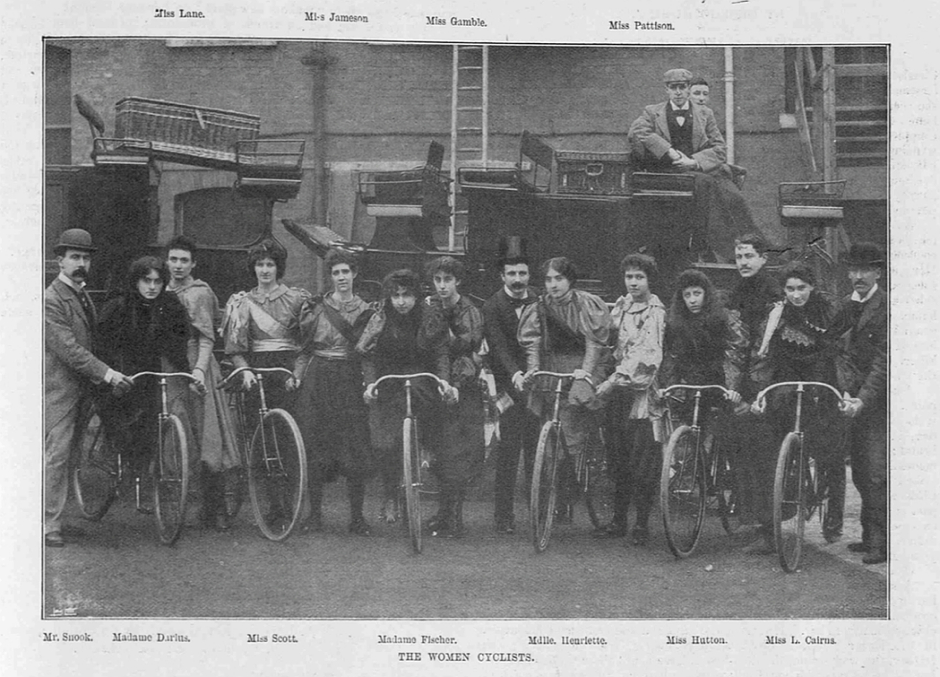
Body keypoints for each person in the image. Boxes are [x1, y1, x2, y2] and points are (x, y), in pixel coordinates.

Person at [44, 229, 134, 547]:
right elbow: (69, 350)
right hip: (60, 390)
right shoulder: (52, 299)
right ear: (60, 261)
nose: (81, 263)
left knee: (69, 455)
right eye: (75, 257)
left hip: (81, 390)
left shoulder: (81, 295)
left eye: (85, 258)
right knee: (56, 455)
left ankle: (58, 518)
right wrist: (107, 374)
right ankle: (48, 525)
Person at [751, 261, 847, 544]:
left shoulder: (828, 313)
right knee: (768, 448)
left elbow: (838, 355)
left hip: (822, 381)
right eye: (790, 289)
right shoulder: (776, 315)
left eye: (801, 288)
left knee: (831, 450)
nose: (796, 295)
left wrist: (839, 390)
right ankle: (769, 529)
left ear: (812, 287)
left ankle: (834, 519)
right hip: (786, 383)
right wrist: (760, 393)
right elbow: (765, 356)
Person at [220, 239, 312, 524]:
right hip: (256, 374)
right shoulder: (243, 302)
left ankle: (291, 503)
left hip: (287, 373)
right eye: (260, 264)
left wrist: (297, 374)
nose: (265, 270)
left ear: (278, 267)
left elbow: (306, 345)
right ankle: (272, 506)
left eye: (270, 264)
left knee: (289, 440)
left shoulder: (297, 299)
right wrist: (244, 370)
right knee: (262, 441)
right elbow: (235, 348)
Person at [96, 256, 192, 515]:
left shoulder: (169, 305)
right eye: (146, 281)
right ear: (135, 281)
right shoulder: (119, 306)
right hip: (119, 373)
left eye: (158, 281)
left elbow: (176, 344)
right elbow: (103, 347)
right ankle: (112, 453)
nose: (152, 287)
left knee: (152, 428)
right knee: (123, 426)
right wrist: (113, 374)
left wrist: (187, 373)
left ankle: (145, 481)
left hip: (149, 373)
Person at [518, 257, 611, 523]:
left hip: (582, 366)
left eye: (558, 278)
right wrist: (533, 370)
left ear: (569, 279)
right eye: (548, 279)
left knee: (569, 433)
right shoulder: (538, 307)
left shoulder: (586, 304)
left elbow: (594, 342)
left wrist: (586, 373)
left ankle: (567, 491)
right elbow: (533, 344)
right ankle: (552, 497)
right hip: (552, 368)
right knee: (547, 439)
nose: (553, 285)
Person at [627, 68, 756, 261]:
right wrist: (668, 150)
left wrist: (693, 161)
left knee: (728, 193)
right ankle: (707, 246)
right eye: (673, 87)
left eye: (682, 87)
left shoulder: (705, 114)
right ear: (667, 90)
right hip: (664, 174)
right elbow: (636, 133)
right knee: (705, 184)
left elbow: (719, 148)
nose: (678, 92)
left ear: (688, 89)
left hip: (693, 171)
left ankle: (726, 244)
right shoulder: (653, 112)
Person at [357, 270, 453, 527]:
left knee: (436, 419)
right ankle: (390, 495)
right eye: (396, 296)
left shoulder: (429, 317)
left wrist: (443, 380)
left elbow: (441, 352)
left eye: (407, 295)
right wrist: (370, 384)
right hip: (389, 380)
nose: (401, 302)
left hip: (421, 377)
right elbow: (368, 355)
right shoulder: (380, 318)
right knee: (386, 443)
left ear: (416, 296)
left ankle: (427, 451)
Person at [295, 250, 375, 536]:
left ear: (354, 274)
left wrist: (369, 384)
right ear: (330, 277)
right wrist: (297, 377)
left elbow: (367, 354)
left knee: (354, 446)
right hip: (318, 379)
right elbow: (304, 349)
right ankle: (314, 515)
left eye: (346, 272)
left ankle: (357, 518)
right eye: (336, 273)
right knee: (316, 443)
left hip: (350, 379)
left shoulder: (366, 310)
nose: (341, 277)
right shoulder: (316, 308)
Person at [165, 236, 240, 531]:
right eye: (174, 259)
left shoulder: (200, 293)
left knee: (208, 435)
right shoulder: (160, 288)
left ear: (193, 263)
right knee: (176, 429)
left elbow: (207, 336)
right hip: (171, 366)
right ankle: (178, 501)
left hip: (198, 366)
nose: (179, 266)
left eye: (185, 260)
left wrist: (198, 369)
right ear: (167, 261)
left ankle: (215, 507)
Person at [593, 254, 667, 545]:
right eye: (629, 277)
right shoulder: (622, 307)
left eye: (639, 277)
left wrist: (612, 381)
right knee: (619, 457)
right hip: (619, 394)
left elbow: (644, 356)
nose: (634, 282)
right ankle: (619, 519)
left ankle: (642, 524)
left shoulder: (655, 313)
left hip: (643, 395)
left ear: (649, 280)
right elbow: (610, 342)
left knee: (642, 461)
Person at [828, 243, 888, 564]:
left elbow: (883, 362)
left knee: (876, 471)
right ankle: (869, 537)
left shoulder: (886, 307)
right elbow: (831, 345)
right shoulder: (846, 307)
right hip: (851, 399)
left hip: (878, 403)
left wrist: (862, 400)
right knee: (861, 473)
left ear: (877, 272)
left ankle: (881, 542)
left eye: (865, 269)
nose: (858, 276)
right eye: (853, 269)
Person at [725, 233, 783, 553]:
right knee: (739, 447)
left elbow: (767, 346)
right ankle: (751, 515)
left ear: (763, 258)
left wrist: (758, 392)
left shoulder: (773, 292)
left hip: (768, 380)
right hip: (745, 380)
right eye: (739, 257)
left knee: (764, 455)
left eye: (749, 256)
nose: (743, 263)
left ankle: (769, 528)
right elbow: (735, 343)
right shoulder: (737, 291)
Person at [422, 256, 486, 538]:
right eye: (437, 280)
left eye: (447, 280)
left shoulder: (469, 310)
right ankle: (443, 512)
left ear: (457, 281)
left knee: (456, 454)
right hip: (436, 383)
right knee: (437, 451)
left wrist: (457, 384)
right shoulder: (430, 306)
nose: (442, 286)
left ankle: (456, 519)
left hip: (463, 386)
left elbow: (469, 350)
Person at [482, 236, 541, 535]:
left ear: (529, 275)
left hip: (536, 386)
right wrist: (515, 374)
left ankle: (538, 512)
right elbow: (498, 346)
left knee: (537, 449)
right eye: (512, 274)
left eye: (522, 273)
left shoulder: (539, 300)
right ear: (501, 276)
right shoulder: (492, 306)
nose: (518, 280)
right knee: (508, 451)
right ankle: (503, 516)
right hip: (508, 386)